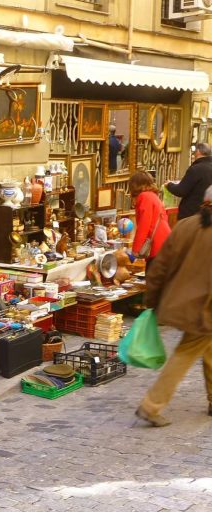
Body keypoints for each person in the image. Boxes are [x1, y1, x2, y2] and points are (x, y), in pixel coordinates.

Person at [136, 185, 212, 427]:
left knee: (208, 348)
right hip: (204, 309)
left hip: (184, 304)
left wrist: (152, 300)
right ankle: (151, 405)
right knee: (186, 353)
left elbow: (160, 267)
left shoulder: (185, 225)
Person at [129, 172, 171, 268]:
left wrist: (135, 251)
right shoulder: (152, 196)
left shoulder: (144, 197)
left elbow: (144, 225)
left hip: (157, 245)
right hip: (164, 242)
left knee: (153, 277)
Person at [165, 143, 212, 220]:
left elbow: (180, 191)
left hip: (191, 214)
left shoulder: (195, 169)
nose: (193, 155)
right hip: (208, 215)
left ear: (198, 152)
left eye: (194, 152)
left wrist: (169, 185)